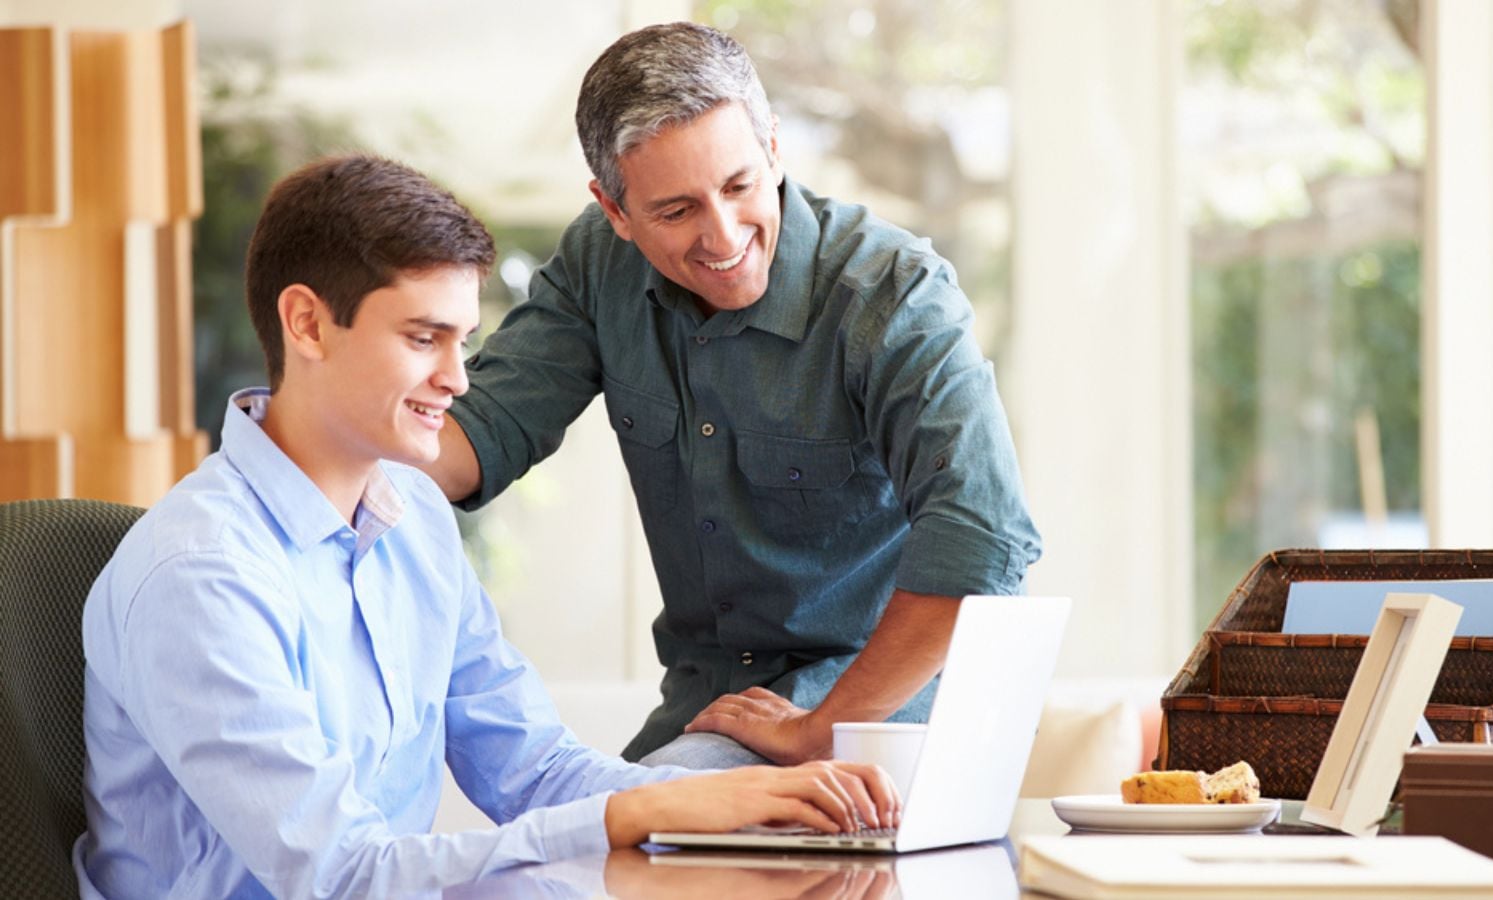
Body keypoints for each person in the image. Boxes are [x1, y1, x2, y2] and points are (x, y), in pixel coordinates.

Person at [72, 155, 895, 899]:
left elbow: (531, 767)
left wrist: (701, 810)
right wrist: (636, 814)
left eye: (463, 340)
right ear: (308, 324)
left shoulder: (412, 514)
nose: (458, 379)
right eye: (423, 338)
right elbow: (343, 876)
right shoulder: (202, 575)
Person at [424, 22, 1042, 770]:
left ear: (773, 146)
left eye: (740, 185)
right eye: (676, 211)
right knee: (581, 834)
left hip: (886, 722)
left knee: (623, 831)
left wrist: (822, 729)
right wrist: (323, 440)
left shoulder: (894, 294)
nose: (722, 236)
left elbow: (984, 538)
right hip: (707, 715)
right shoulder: (599, 263)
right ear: (615, 211)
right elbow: (472, 439)